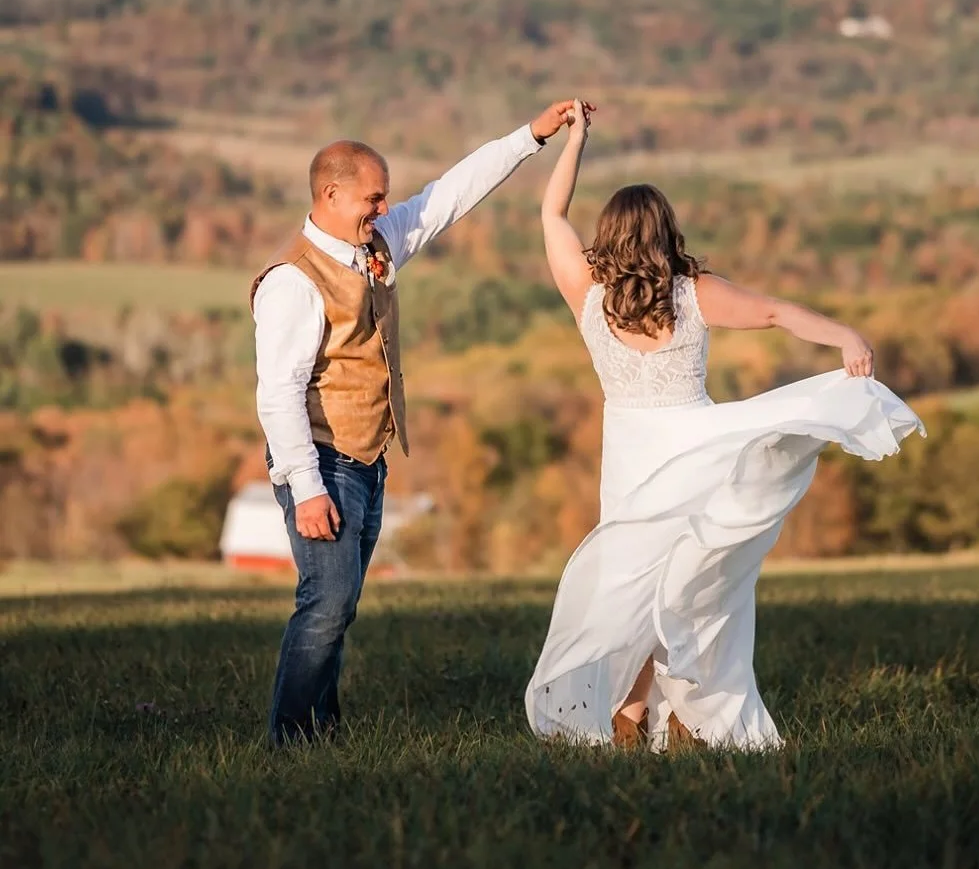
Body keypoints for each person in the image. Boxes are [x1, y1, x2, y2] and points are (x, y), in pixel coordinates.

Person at [525, 101, 924, 751]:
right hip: (698, 449)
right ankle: (688, 712)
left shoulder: (586, 293)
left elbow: (550, 215)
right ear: (665, 233)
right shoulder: (693, 292)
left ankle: (630, 714)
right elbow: (774, 314)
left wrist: (576, 140)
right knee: (700, 583)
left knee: (632, 586)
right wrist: (844, 335)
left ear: (612, 235)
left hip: (628, 458)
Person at [252, 99, 581, 746]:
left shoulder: (374, 244)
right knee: (327, 602)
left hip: (366, 460)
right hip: (320, 461)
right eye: (371, 199)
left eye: (385, 199)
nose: (382, 209)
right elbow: (277, 395)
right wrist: (308, 487)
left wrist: (531, 136)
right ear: (331, 193)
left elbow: (450, 195)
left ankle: (324, 730)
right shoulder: (292, 283)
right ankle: (287, 740)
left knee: (338, 607)